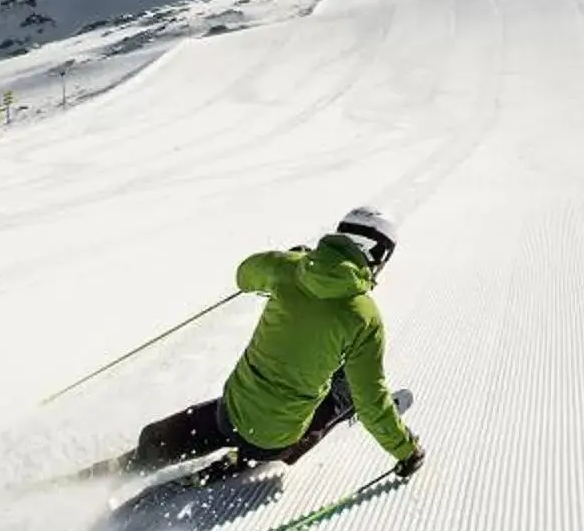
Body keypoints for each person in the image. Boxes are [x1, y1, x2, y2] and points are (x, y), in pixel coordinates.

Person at [123, 205, 425, 479]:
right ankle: (327, 416)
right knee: (346, 383)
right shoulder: (365, 317)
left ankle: (136, 462)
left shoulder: (291, 268)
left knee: (172, 435)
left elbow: (244, 275)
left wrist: (289, 260)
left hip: (229, 414)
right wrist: (406, 451)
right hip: (279, 440)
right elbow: (372, 402)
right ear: (376, 255)